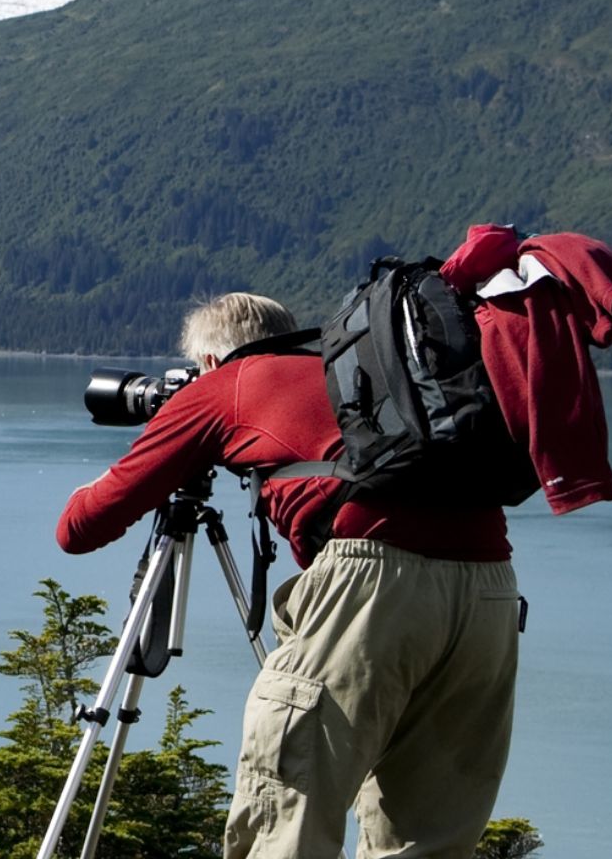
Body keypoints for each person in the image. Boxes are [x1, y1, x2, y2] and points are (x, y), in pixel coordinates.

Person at [54, 292, 520, 859]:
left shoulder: (226, 386)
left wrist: (106, 477)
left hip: (373, 586)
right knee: (427, 841)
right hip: (491, 592)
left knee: (286, 818)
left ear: (207, 361)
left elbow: (80, 529)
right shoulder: (362, 377)